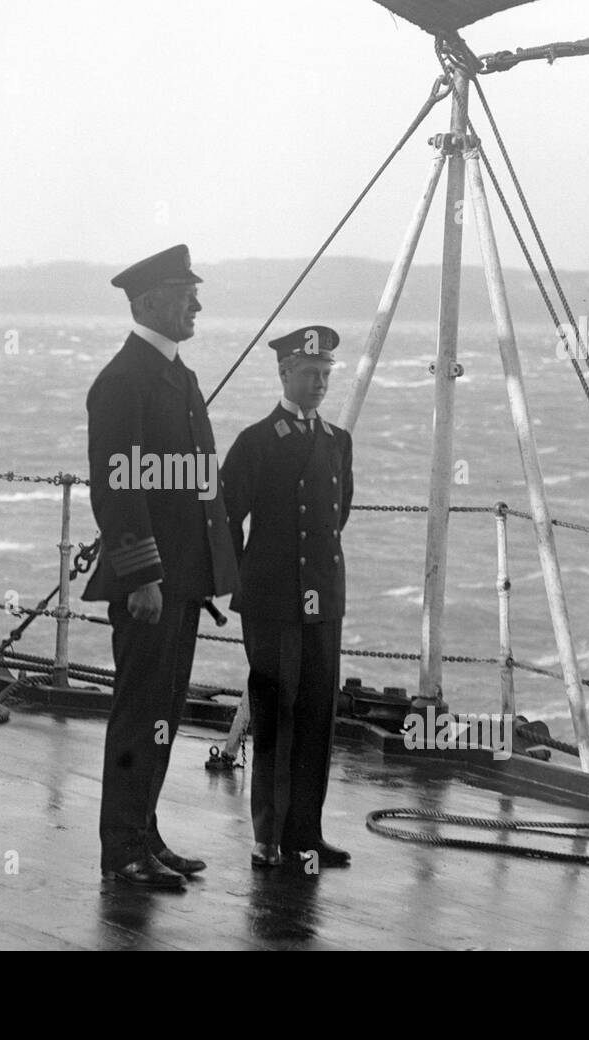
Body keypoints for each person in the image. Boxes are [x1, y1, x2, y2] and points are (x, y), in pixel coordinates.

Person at [84, 243, 239, 889]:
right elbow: (117, 491)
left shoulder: (179, 375)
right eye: (186, 292)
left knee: (163, 712)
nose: (197, 303)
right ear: (150, 302)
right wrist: (145, 576)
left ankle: (145, 835)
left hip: (180, 580)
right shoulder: (124, 382)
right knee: (138, 709)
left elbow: (199, 488)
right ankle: (120, 850)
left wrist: (210, 575)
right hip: (150, 583)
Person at [220, 325, 354, 872]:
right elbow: (226, 515)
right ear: (284, 373)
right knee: (276, 715)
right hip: (273, 598)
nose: (319, 383)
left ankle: (306, 833)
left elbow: (338, 513)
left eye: (325, 375)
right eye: (309, 373)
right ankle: (268, 837)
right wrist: (241, 579)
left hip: (323, 597)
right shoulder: (256, 441)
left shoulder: (338, 441)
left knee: (317, 715)